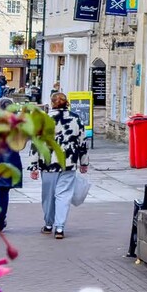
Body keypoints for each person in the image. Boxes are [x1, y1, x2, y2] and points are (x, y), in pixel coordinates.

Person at [33, 92, 89, 239]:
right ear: (67, 103)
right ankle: (59, 227)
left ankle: (48, 224)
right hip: (68, 161)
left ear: (52, 103)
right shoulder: (76, 119)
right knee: (64, 195)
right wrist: (84, 162)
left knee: (48, 195)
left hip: (48, 162)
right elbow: (82, 143)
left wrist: (33, 166)